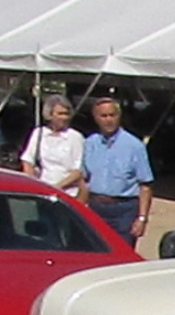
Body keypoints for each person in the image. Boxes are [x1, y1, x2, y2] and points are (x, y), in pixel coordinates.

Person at [81, 97, 153, 247]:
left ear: (119, 116)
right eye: (104, 116)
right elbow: (84, 180)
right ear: (96, 118)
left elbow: (145, 185)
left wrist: (142, 218)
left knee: (122, 252)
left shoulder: (134, 146)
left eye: (112, 115)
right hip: (96, 207)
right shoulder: (90, 143)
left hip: (124, 210)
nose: (108, 120)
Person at [20, 94, 85, 197]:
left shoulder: (75, 137)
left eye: (66, 114)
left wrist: (56, 187)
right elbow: (27, 161)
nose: (64, 117)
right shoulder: (39, 133)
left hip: (68, 193)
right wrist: (33, 184)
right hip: (42, 191)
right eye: (60, 114)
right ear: (49, 115)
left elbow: (78, 171)